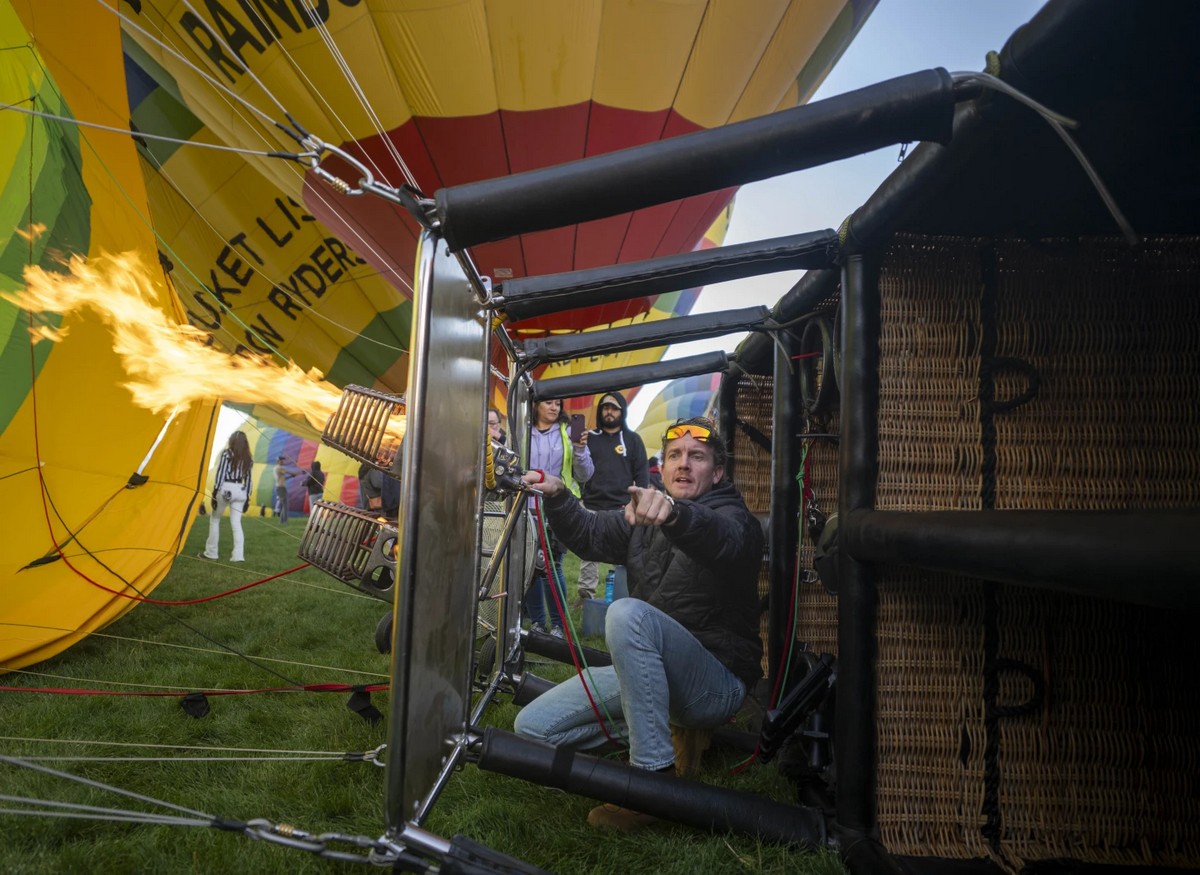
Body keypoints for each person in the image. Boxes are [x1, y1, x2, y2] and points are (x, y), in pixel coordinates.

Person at [515, 416, 763, 831]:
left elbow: (723, 539)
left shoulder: (735, 520)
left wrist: (676, 516)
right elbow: (591, 532)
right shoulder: (644, 517)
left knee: (626, 613)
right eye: (675, 456)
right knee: (532, 730)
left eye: (697, 457)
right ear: (661, 469)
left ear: (717, 472)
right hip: (654, 674)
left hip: (715, 685)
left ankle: (651, 784)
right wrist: (558, 496)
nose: (684, 464)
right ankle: (663, 736)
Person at [526, 398, 593, 636]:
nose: (555, 407)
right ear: (534, 405)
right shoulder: (523, 430)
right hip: (527, 507)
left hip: (558, 508)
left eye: (558, 403)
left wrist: (580, 449)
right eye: (548, 403)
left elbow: (585, 475)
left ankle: (558, 625)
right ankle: (536, 622)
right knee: (529, 567)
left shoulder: (567, 432)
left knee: (552, 566)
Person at [576, 391, 649, 603]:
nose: (610, 412)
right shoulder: (589, 437)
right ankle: (584, 597)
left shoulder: (633, 440)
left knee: (627, 554)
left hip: (621, 506)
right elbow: (579, 468)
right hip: (592, 504)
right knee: (588, 555)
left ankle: (627, 596)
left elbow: (642, 474)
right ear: (600, 411)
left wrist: (639, 502)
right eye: (606, 407)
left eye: (614, 408)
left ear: (622, 411)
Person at [200, 431, 254, 563]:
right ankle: (238, 556)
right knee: (236, 523)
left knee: (215, 519)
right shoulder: (248, 458)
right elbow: (249, 480)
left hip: (226, 489)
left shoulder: (226, 454)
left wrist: (215, 492)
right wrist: (248, 497)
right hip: (240, 490)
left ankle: (212, 553)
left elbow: (221, 474)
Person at [273, 455, 302, 523]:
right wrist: (299, 472)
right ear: (278, 461)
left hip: (280, 487)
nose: (283, 461)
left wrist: (291, 476)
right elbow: (289, 472)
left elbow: (283, 478)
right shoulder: (279, 468)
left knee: (284, 505)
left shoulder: (277, 468)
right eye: (282, 460)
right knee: (285, 505)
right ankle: (284, 521)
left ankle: (282, 521)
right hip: (281, 488)